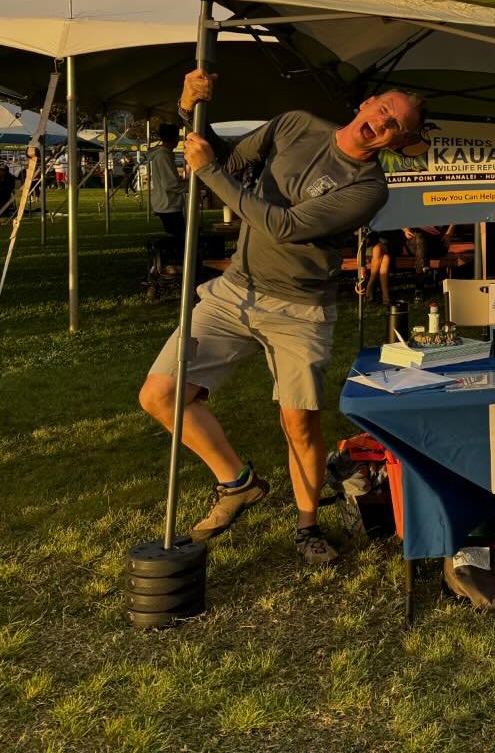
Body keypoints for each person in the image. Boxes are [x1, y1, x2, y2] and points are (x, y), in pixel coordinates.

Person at [138, 70, 425, 565]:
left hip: (301, 308)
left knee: (299, 421)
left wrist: (209, 174)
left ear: (399, 141)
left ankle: (307, 526)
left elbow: (285, 226)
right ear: (367, 103)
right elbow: (224, 156)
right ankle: (238, 482)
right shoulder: (295, 125)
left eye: (395, 126)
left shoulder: (368, 188)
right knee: (161, 395)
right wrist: (188, 109)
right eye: (383, 110)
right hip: (236, 291)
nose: (382, 124)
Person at [147, 124, 186, 237]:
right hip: (168, 205)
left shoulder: (163, 154)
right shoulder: (163, 155)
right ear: (175, 138)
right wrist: (192, 186)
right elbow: (170, 184)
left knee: (177, 236)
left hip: (166, 204)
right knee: (179, 237)